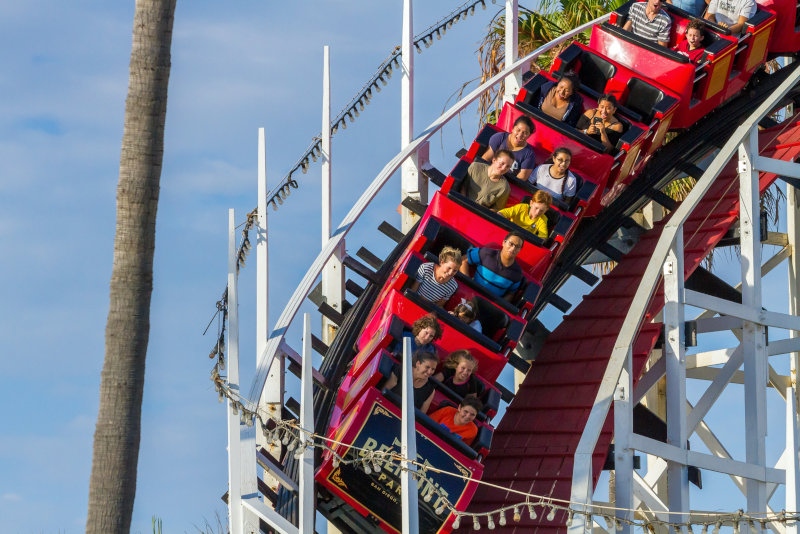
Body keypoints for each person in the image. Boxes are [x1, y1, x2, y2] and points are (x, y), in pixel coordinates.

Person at [460, 231, 525, 302]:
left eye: (517, 246)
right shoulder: (485, 253)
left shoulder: (518, 273)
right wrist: (468, 285)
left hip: (489, 306)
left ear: (520, 250)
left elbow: (511, 293)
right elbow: (463, 260)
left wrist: (499, 306)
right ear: (504, 242)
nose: (513, 248)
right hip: (469, 297)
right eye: (511, 244)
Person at [481, 116, 537, 180]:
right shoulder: (499, 138)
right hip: (487, 175)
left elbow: (521, 178)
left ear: (529, 136)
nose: (520, 135)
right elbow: (485, 159)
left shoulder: (529, 155)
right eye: (518, 130)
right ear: (513, 129)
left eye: (525, 133)